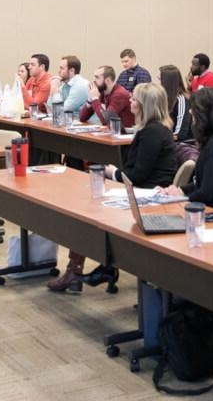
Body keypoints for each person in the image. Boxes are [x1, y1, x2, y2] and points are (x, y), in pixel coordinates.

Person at [49, 83, 179, 294]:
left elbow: (137, 175)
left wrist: (112, 173)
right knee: (88, 209)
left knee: (90, 211)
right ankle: (97, 267)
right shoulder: (150, 129)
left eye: (134, 99)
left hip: (149, 194)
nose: (130, 102)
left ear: (145, 105)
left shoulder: (153, 132)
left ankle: (81, 270)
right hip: (142, 189)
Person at [158, 89, 213, 208]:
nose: (190, 111)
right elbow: (205, 184)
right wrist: (179, 190)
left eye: (193, 108)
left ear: (204, 114)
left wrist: (178, 199)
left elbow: (206, 194)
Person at [159, 65, 194, 142]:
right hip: (168, 142)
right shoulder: (164, 99)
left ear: (167, 82)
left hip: (180, 145)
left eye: (160, 80)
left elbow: (180, 134)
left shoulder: (182, 100)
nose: (158, 83)